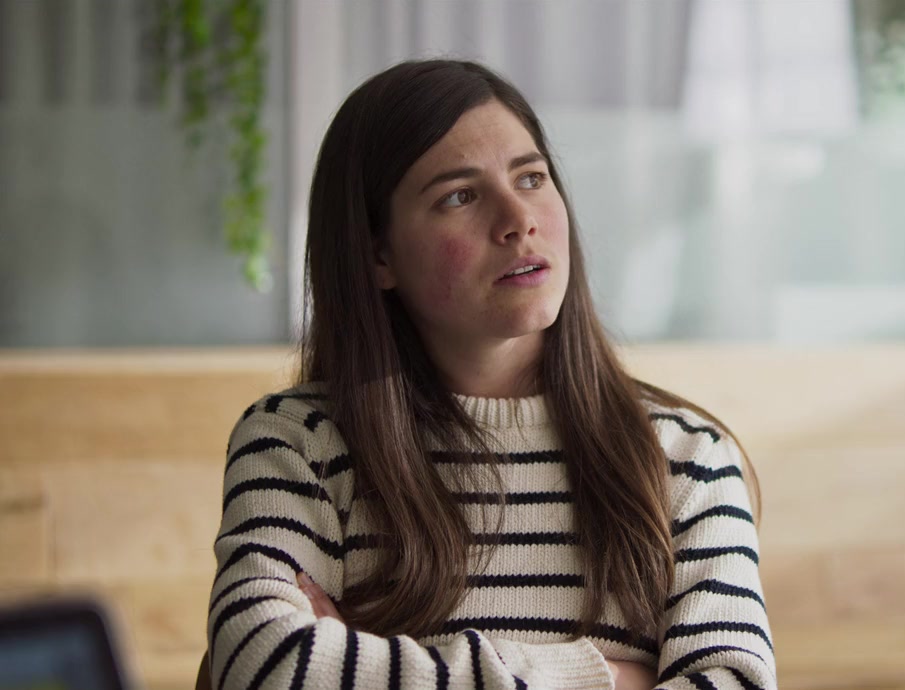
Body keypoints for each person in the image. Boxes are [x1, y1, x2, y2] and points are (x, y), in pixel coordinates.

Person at [205, 59, 774, 690]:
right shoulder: (298, 443)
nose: (518, 219)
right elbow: (265, 667)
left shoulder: (686, 460)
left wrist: (365, 664)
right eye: (459, 196)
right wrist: (605, 680)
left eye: (531, 177)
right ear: (378, 255)